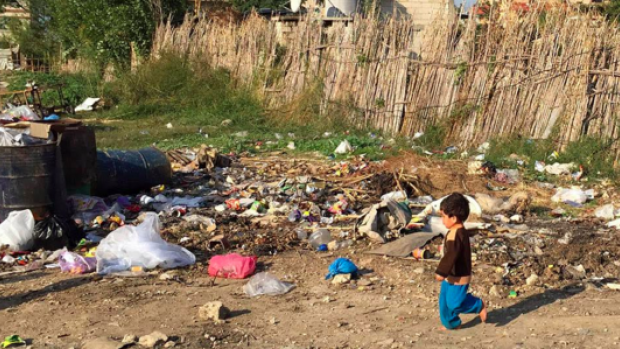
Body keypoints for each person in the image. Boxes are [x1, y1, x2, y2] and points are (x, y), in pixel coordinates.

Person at [435, 193, 487, 330]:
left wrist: (441, 272)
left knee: (454, 303)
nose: (442, 220)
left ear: (453, 218)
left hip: (459, 275)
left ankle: (477, 305)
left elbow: (451, 255)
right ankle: (452, 324)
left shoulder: (458, 234)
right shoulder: (453, 231)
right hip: (450, 274)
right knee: (444, 303)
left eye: (443, 216)